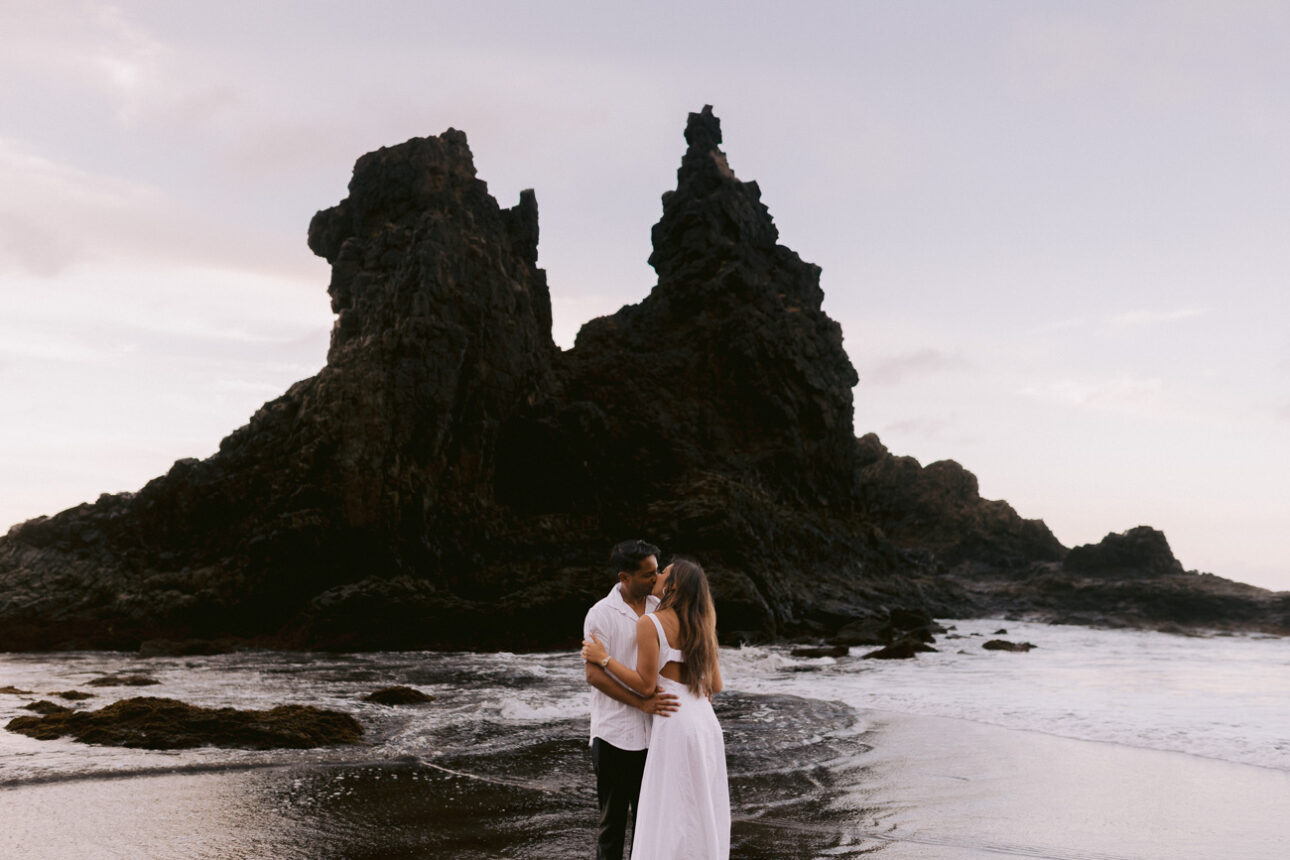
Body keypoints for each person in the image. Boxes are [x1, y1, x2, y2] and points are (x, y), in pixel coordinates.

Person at [582, 557, 730, 860]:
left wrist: (604, 659)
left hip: (673, 719)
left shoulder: (651, 622)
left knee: (668, 810)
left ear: (673, 585)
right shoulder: (703, 621)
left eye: (663, 572)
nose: (658, 575)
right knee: (699, 804)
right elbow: (715, 685)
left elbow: (646, 686)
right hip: (704, 721)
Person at [584, 539, 682, 860]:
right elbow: (595, 675)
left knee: (649, 826)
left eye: (657, 572)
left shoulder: (661, 609)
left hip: (655, 736)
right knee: (612, 828)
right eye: (647, 575)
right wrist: (640, 702)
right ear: (624, 578)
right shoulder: (601, 614)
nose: (655, 580)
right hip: (613, 735)